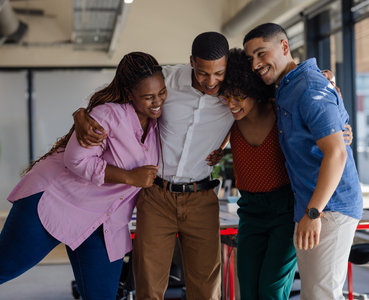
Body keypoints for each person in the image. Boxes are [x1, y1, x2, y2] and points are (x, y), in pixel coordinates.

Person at [73, 32, 235, 299]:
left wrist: (223, 144)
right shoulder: (166, 80)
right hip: (156, 196)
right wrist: (80, 113)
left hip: (202, 198)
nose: (211, 81)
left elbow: (255, 109)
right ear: (192, 61)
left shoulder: (235, 89)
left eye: (219, 73)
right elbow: (117, 95)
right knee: (148, 287)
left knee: (206, 290)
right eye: (204, 73)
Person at [0, 52, 166, 299]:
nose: (158, 102)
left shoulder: (158, 123)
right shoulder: (109, 115)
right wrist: (130, 177)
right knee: (4, 267)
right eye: (148, 97)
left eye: (161, 93)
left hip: (104, 223)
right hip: (57, 201)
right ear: (130, 94)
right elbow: (76, 159)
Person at [218, 48, 353, 299]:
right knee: (248, 288)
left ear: (255, 91)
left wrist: (344, 128)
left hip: (285, 209)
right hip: (249, 211)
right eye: (226, 97)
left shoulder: (280, 110)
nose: (232, 103)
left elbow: (324, 101)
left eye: (239, 96)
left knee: (271, 289)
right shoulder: (228, 122)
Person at [243, 23, 363, 300]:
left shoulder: (309, 87)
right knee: (314, 292)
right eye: (251, 59)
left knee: (321, 294)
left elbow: (337, 153)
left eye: (262, 54)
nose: (256, 64)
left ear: (284, 47)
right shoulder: (289, 86)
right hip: (310, 205)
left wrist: (313, 212)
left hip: (327, 207)